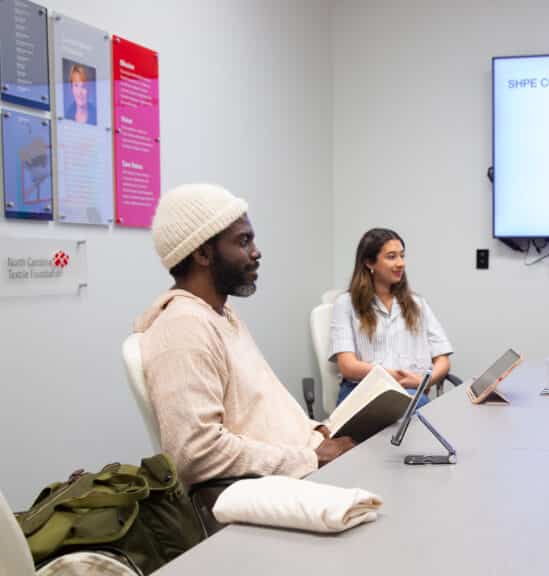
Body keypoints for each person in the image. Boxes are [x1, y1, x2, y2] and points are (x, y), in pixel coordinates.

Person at [134, 183, 355, 487]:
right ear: (202, 253)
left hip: (301, 468)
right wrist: (312, 457)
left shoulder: (220, 314)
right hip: (273, 491)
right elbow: (196, 454)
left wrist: (318, 432)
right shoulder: (183, 329)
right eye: (243, 241)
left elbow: (263, 408)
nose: (256, 251)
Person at [329, 228, 452, 407]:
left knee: (416, 403)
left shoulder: (417, 304)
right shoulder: (346, 304)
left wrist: (423, 381)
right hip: (362, 393)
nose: (401, 263)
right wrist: (396, 377)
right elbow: (348, 367)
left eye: (402, 256)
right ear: (369, 262)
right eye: (392, 256)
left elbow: (442, 358)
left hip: (411, 392)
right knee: (417, 405)